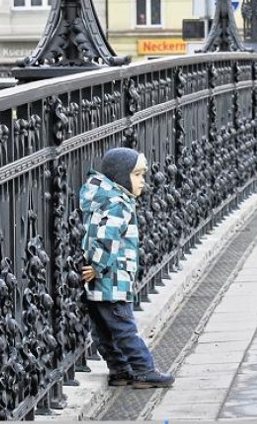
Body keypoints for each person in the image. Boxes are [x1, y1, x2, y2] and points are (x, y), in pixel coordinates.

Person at [79, 146, 175, 389]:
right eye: (137, 175)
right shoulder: (118, 203)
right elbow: (106, 237)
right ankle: (143, 370)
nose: (143, 181)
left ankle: (120, 370)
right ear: (121, 176)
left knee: (104, 331)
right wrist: (98, 266)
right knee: (124, 329)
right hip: (112, 280)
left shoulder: (103, 199)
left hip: (101, 285)